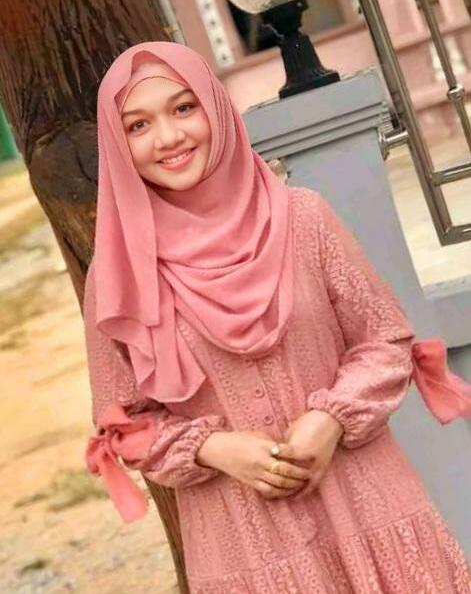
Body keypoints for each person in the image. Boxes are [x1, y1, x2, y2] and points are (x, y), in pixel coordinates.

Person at [83, 41, 471, 593]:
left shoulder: (302, 218)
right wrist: (214, 449)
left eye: (184, 108)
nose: (168, 137)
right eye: (138, 125)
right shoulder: (118, 273)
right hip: (246, 544)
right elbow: (125, 422)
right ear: (117, 145)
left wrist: (331, 418)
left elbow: (385, 339)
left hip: (370, 506)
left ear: (216, 110)